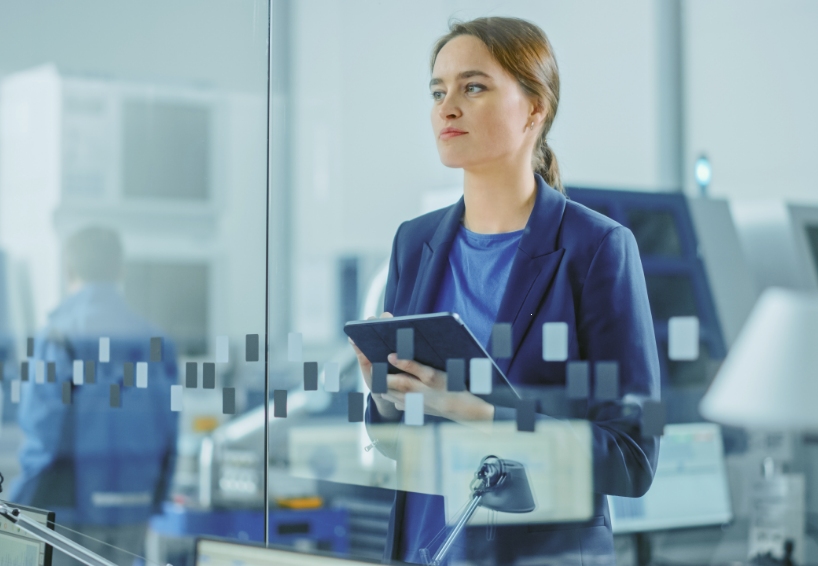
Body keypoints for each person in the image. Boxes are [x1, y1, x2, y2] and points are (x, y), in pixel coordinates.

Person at [352, 17, 660, 565]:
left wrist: (479, 413)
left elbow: (632, 457)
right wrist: (385, 396)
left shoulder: (597, 249)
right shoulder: (414, 243)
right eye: (437, 91)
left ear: (534, 109)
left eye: (473, 87)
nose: (447, 107)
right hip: (427, 549)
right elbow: (398, 445)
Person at [10, 227, 178, 565]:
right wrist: (153, 501)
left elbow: (43, 431)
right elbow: (169, 436)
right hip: (134, 506)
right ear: (120, 270)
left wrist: (19, 500)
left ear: (68, 271)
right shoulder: (155, 341)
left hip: (70, 507)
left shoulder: (57, 337)